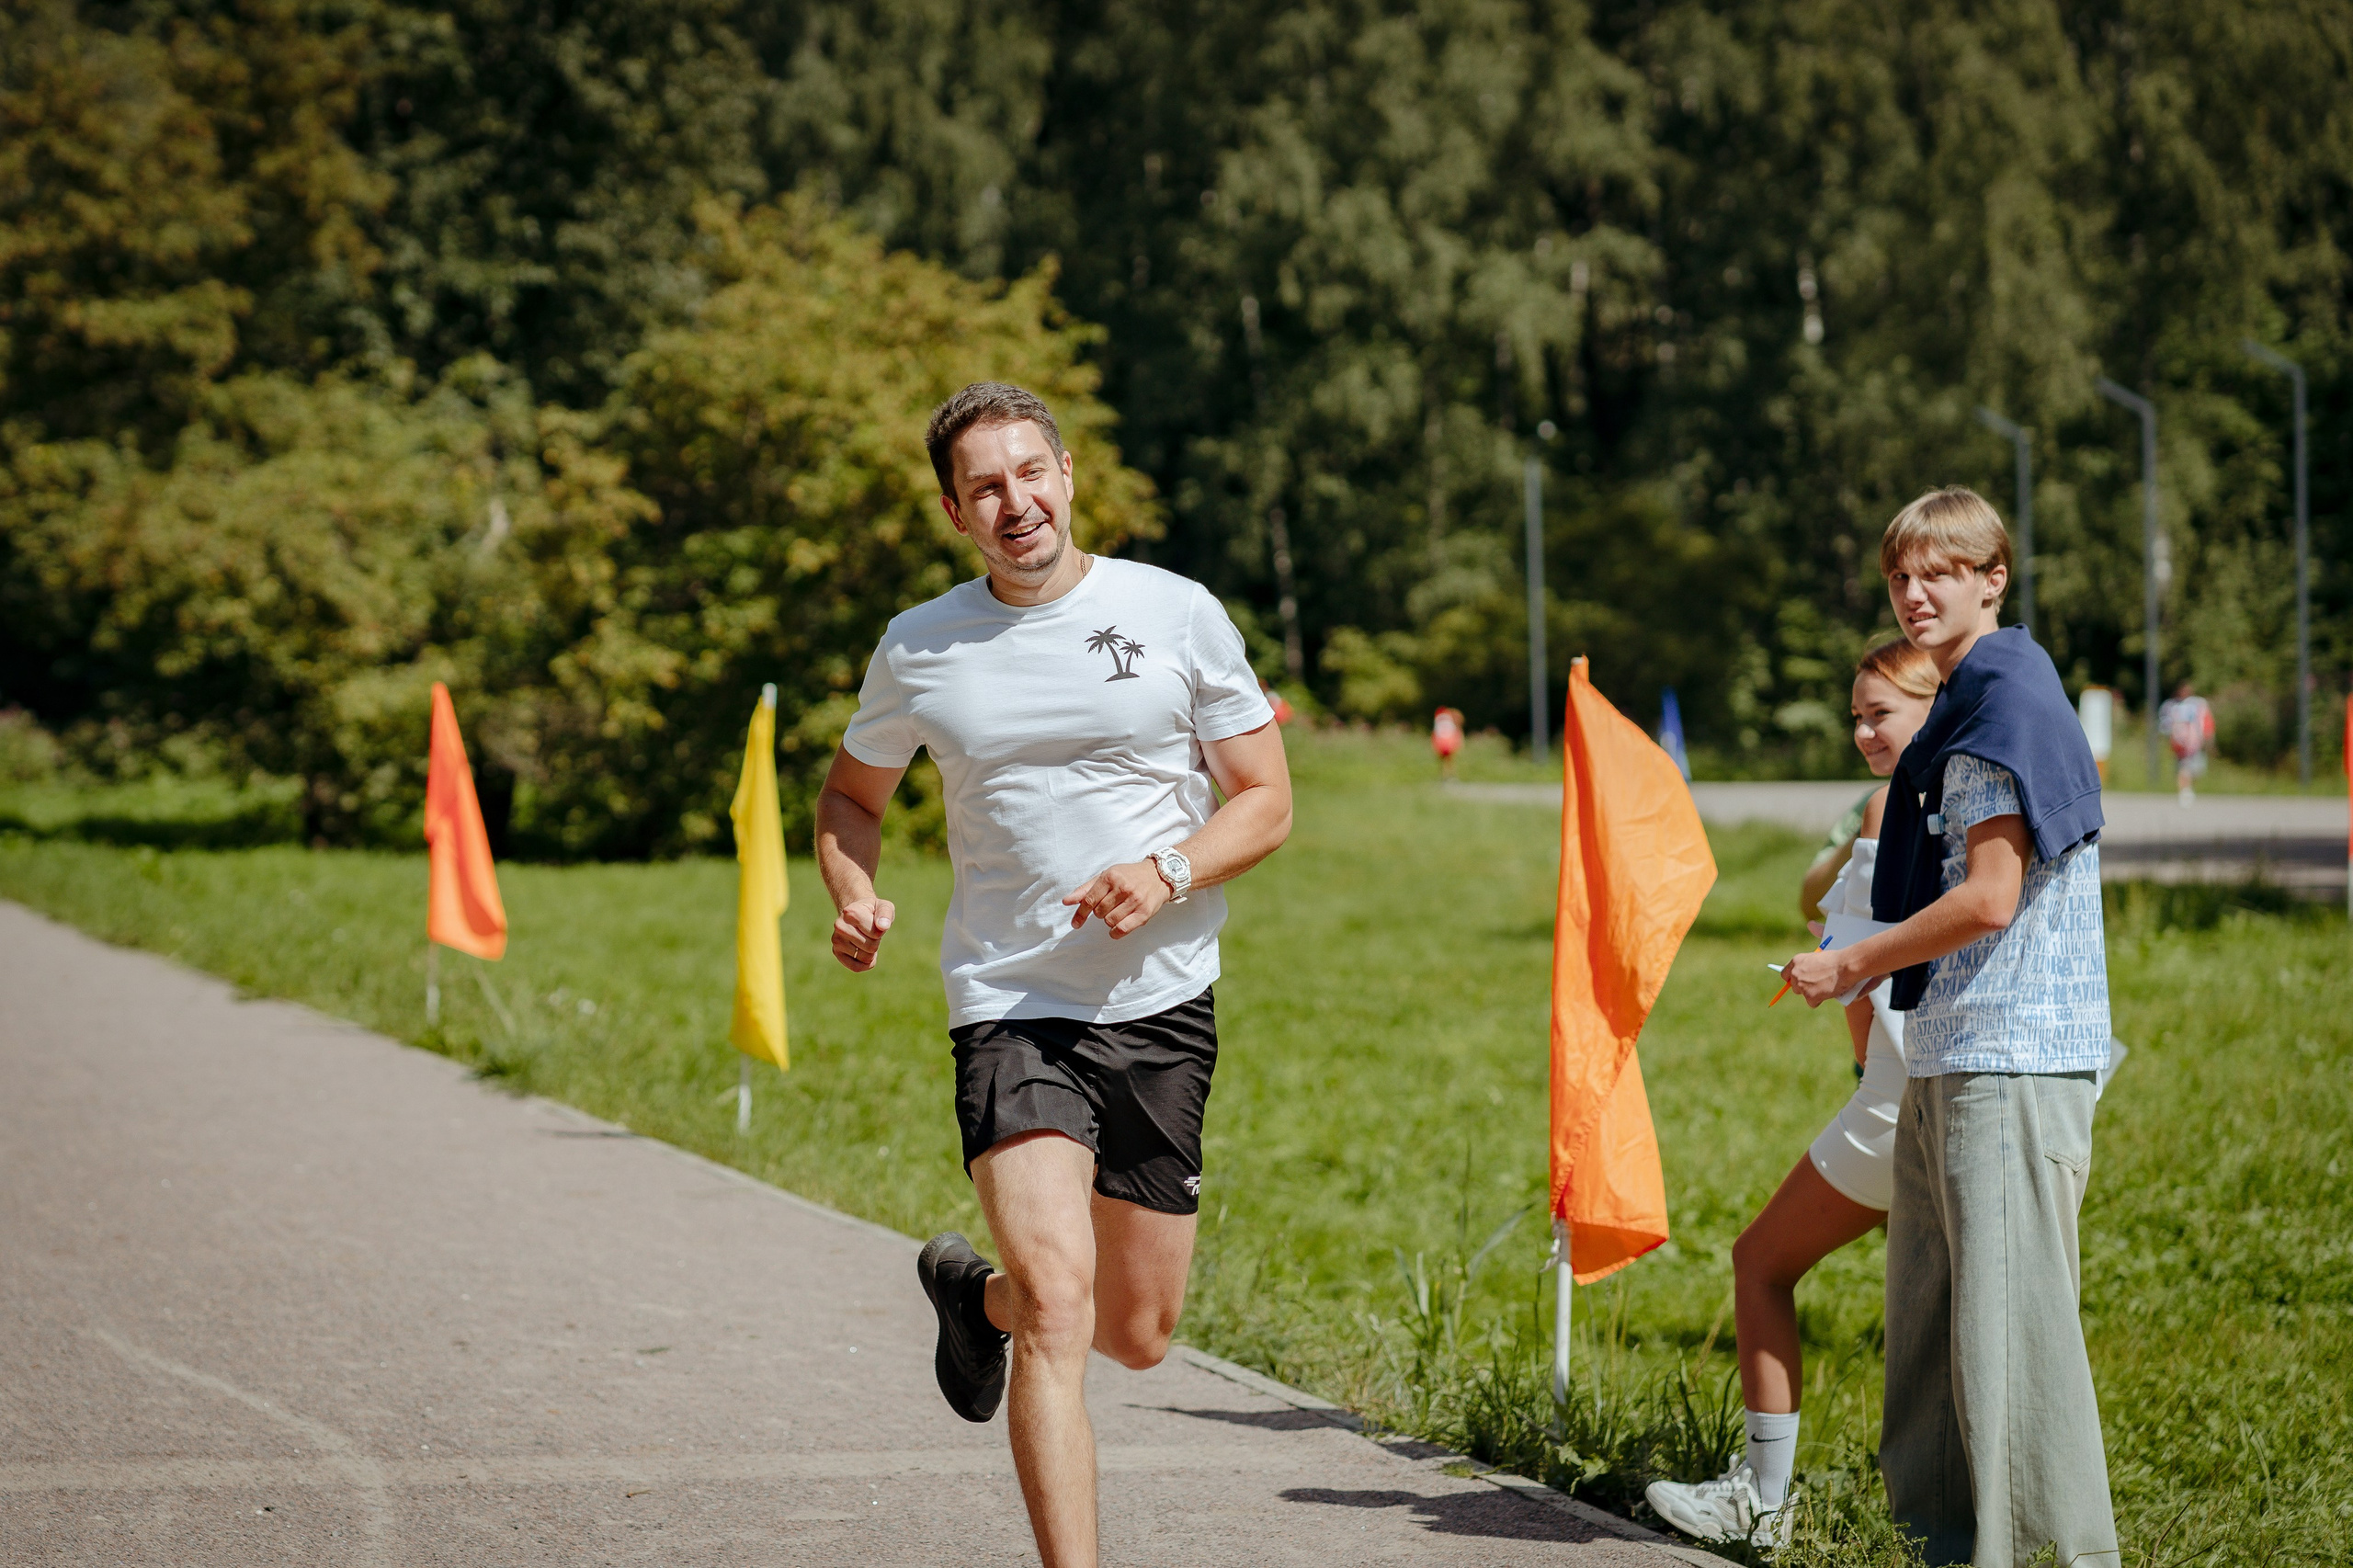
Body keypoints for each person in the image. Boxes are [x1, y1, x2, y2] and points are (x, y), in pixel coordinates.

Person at [814, 382, 1292, 1568]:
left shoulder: (1176, 611)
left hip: (1160, 1004)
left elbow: (1268, 798)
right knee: (1063, 1307)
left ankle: (973, 1300)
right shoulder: (920, 643)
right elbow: (848, 796)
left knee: (1137, 1332)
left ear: (1067, 473)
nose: (1013, 499)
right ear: (954, 511)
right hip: (1011, 1003)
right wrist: (855, 889)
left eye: (1030, 471)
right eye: (985, 485)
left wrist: (1168, 869)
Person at [1785, 487, 2117, 1568]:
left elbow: (1988, 895)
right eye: (1898, 576)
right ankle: (1942, 1543)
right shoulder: (1972, 694)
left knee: (2010, 1344)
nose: (1914, 591)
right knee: (1934, 1336)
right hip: (1954, 1048)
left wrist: (1849, 963)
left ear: (1992, 578)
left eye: (1939, 570)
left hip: (2011, 1056)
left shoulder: (2003, 701)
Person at [1643, 639, 1938, 1543]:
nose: (1860, 731)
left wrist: (1861, 1078)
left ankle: (1761, 1504)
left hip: (1897, 1097)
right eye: (1854, 714)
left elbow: (1857, 990)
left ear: (1932, 706)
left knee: (1759, 1261)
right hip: (1982, 1083)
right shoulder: (1976, 797)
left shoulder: (1890, 804)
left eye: (1878, 712)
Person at [2157, 679, 2213, 805]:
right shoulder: (2171, 706)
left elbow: (2206, 721)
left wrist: (2208, 738)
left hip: (2196, 743)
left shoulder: (2198, 703)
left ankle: (2188, 789)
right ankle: (2185, 792)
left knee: (2197, 770)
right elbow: (2165, 724)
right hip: (2180, 744)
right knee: (2183, 769)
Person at [1431, 705, 1465, 778]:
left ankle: (1446, 776)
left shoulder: (1439, 721)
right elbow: (1456, 734)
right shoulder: (1450, 722)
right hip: (1448, 744)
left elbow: (1435, 735)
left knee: (1444, 761)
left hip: (1442, 744)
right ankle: (1450, 776)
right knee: (1450, 761)